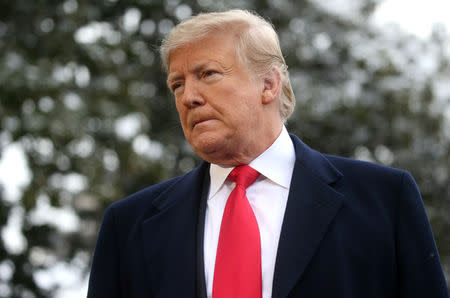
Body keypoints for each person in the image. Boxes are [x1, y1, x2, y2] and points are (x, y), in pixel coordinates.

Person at [87, 9, 449, 298]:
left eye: (208, 74)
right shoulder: (128, 225)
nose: (188, 97)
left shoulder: (385, 200)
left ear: (269, 84)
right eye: (177, 84)